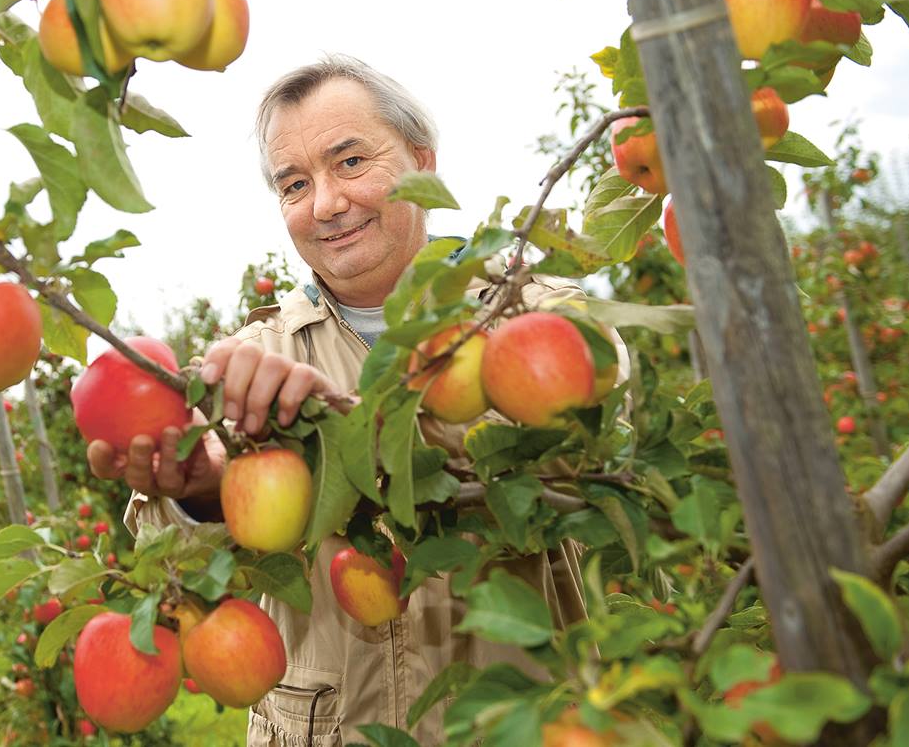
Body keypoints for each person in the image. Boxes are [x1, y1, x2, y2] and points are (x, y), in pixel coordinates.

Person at [88, 55, 620, 745]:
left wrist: (344, 429)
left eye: (349, 162)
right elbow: (165, 554)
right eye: (294, 185)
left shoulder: (534, 318)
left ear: (421, 162)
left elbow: (586, 428)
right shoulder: (254, 363)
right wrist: (204, 489)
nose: (327, 203)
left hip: (524, 725)